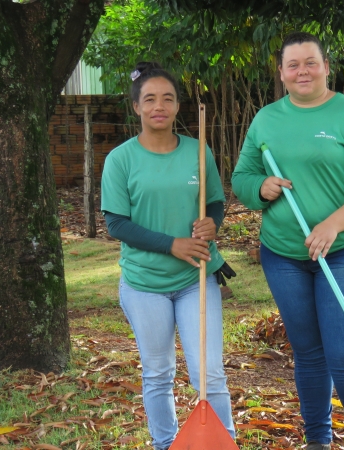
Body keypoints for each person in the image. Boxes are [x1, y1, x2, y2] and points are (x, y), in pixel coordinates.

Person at [231, 32, 344, 450]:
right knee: (308, 351)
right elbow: (242, 177)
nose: (302, 71)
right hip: (283, 254)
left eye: (310, 62)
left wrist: (333, 225)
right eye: (293, 65)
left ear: (325, 67)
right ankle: (318, 440)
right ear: (281, 73)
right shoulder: (266, 119)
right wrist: (260, 187)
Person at [101, 62, 235, 450]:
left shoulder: (198, 150)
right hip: (145, 285)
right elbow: (117, 224)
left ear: (178, 106)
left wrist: (212, 223)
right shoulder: (120, 159)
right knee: (158, 373)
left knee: (209, 374)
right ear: (136, 107)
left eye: (168, 98)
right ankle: (165, 444)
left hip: (195, 280)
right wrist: (172, 244)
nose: (159, 106)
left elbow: (214, 203)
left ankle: (224, 443)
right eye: (150, 99)